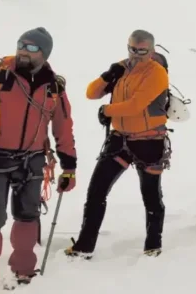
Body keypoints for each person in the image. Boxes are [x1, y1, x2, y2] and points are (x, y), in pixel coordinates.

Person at [0, 28, 77, 294]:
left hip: (33, 159)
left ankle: (24, 271)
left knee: (28, 214)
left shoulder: (53, 86)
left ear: (45, 53)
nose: (24, 50)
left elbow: (63, 127)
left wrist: (69, 166)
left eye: (32, 47)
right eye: (21, 45)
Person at [66, 30, 170, 259]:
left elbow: (136, 105)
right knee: (96, 192)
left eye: (142, 50)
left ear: (152, 51)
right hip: (119, 139)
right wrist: (108, 75)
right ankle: (84, 247)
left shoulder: (157, 73)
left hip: (149, 141)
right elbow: (91, 93)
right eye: (133, 49)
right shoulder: (122, 69)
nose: (137, 54)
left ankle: (153, 244)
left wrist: (107, 110)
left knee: (151, 196)